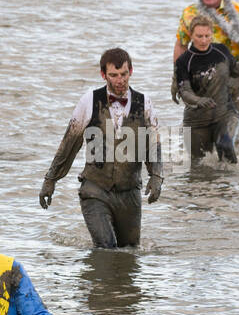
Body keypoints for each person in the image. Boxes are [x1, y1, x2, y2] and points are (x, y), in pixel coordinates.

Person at [40, 48, 164, 249]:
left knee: (130, 252)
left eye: (123, 74)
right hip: (95, 189)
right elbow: (70, 142)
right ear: (103, 74)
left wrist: (156, 176)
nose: (120, 80)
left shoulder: (145, 102)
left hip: (130, 192)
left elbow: (153, 142)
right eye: (114, 75)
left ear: (130, 71)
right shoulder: (89, 100)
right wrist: (50, 179)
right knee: (106, 247)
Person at [174, 15, 239, 165]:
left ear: (212, 34)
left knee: (225, 145)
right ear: (191, 35)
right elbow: (184, 92)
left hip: (225, 114)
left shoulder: (221, 51)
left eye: (207, 36)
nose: (204, 40)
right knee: (198, 167)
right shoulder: (184, 61)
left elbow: (235, 69)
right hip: (196, 121)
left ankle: (232, 186)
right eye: (199, 36)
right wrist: (199, 100)